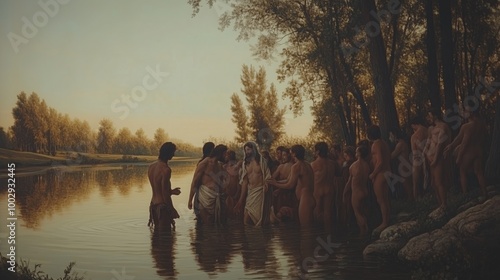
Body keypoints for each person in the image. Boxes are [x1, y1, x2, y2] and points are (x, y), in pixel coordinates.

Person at [267, 145, 316, 227]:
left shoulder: (296, 166)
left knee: (305, 230)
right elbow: (287, 180)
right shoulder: (307, 164)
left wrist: (275, 184)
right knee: (306, 229)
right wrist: (275, 181)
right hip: (309, 198)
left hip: (305, 200)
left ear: (294, 154)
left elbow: (290, 185)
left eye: (291, 153)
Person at [444, 109, 488, 196]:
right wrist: (451, 146)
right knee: (479, 172)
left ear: (471, 113)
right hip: (478, 151)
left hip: (469, 152)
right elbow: (458, 139)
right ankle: (485, 192)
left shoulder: (467, 126)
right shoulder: (482, 125)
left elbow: (464, 142)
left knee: (462, 171)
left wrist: (459, 157)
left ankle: (465, 194)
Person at [234, 141, 276, 226]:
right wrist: (241, 200)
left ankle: (260, 237)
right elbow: (245, 182)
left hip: (260, 193)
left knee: (262, 219)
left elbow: (267, 176)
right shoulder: (245, 163)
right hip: (251, 194)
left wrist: (266, 184)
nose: (247, 152)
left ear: (254, 150)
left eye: (248, 150)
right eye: (245, 150)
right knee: (246, 219)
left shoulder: (261, 161)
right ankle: (250, 238)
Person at [188, 144, 228, 225]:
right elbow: (195, 181)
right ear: (220, 153)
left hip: (218, 198)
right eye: (225, 154)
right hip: (205, 198)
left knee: (217, 224)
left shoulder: (220, 165)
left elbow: (224, 182)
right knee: (207, 223)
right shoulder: (205, 163)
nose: (226, 156)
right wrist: (190, 200)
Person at [424, 108, 452, 218]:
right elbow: (428, 142)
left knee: (439, 181)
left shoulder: (443, 127)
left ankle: (444, 205)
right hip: (430, 158)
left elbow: (440, 144)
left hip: (438, 158)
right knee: (434, 183)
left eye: (429, 115)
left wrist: (435, 158)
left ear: (435, 115)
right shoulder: (431, 129)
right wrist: (426, 153)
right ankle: (440, 205)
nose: (428, 117)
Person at [148, 142, 181, 231]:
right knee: (165, 236)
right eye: (173, 152)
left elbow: (157, 188)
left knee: (156, 237)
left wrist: (172, 191)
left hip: (153, 205)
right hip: (162, 207)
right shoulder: (166, 170)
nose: (173, 154)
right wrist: (172, 209)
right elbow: (165, 194)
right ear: (168, 153)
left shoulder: (151, 166)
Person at [367, 125, 391, 234]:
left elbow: (380, 161)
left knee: (381, 199)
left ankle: (385, 222)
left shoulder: (376, 144)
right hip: (386, 172)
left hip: (380, 174)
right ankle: (386, 220)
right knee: (384, 199)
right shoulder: (384, 143)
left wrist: (373, 174)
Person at [343, 145, 371, 236]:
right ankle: (367, 232)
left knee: (358, 213)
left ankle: (363, 233)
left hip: (356, 193)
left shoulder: (353, 166)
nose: (355, 153)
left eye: (356, 152)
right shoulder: (367, 165)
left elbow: (348, 183)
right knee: (364, 212)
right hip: (365, 191)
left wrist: (344, 193)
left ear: (359, 153)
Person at [311, 142, 337, 229]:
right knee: (327, 213)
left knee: (317, 212)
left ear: (318, 151)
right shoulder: (332, 163)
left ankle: (318, 233)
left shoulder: (313, 164)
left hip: (318, 190)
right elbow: (339, 173)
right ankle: (327, 233)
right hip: (329, 189)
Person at [271, 147, 296, 221]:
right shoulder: (280, 166)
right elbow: (272, 178)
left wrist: (278, 188)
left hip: (290, 194)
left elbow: (291, 182)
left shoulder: (294, 166)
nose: (283, 157)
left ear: (289, 155)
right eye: (282, 155)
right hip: (280, 195)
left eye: (284, 155)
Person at [389, 129, 413, 200]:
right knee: (407, 184)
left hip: (404, 166)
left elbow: (392, 156)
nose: (390, 137)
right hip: (405, 165)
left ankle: (412, 200)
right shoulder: (401, 143)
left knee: (407, 185)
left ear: (395, 135)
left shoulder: (400, 144)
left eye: (391, 135)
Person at [410, 116, 428, 199]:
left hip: (418, 158)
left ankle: (416, 199)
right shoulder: (428, 131)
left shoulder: (414, 136)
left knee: (415, 181)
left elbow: (415, 151)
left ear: (414, 125)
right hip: (429, 156)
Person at [223, 149, 242, 219]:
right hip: (227, 192)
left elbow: (239, 180)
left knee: (237, 212)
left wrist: (237, 192)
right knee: (228, 213)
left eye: (228, 154)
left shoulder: (237, 165)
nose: (226, 156)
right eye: (226, 154)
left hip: (236, 191)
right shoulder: (224, 166)